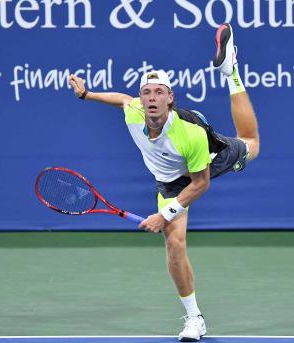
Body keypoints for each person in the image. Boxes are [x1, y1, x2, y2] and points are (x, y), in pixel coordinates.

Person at [68, 23, 259, 342]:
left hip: (204, 164)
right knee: (174, 244)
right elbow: (121, 99)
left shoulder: (190, 134)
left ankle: (231, 71)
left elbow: (200, 184)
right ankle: (195, 318)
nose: (151, 98)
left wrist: (164, 215)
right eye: (146, 92)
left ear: (170, 99)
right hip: (169, 181)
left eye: (159, 92)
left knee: (251, 143)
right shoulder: (134, 112)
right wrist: (87, 94)